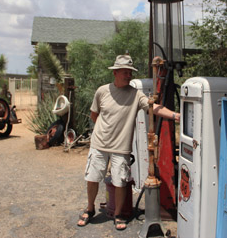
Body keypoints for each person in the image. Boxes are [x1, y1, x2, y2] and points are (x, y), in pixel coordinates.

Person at [77, 54, 180, 231]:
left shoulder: (135, 94)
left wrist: (176, 115)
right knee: (92, 178)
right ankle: (90, 208)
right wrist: (103, 132)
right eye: (125, 72)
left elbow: (153, 107)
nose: (129, 76)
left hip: (121, 147)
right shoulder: (102, 91)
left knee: (120, 181)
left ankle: (118, 215)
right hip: (99, 144)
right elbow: (94, 115)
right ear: (115, 73)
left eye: (130, 72)